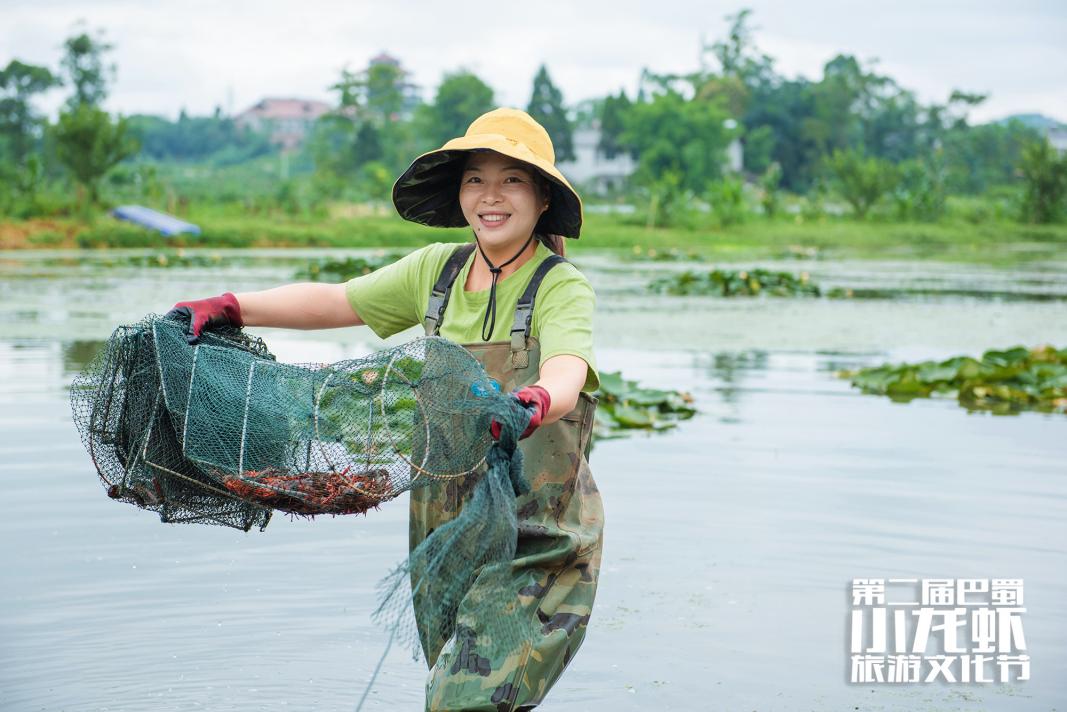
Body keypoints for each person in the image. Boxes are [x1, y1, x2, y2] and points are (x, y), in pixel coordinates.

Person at [169, 107, 603, 711]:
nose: (490, 196)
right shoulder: (436, 272)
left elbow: (567, 371)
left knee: (462, 701)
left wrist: (534, 400)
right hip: (443, 526)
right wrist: (231, 305)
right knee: (456, 690)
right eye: (476, 179)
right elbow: (335, 301)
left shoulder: (561, 286)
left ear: (542, 199)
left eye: (512, 180)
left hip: (537, 534)